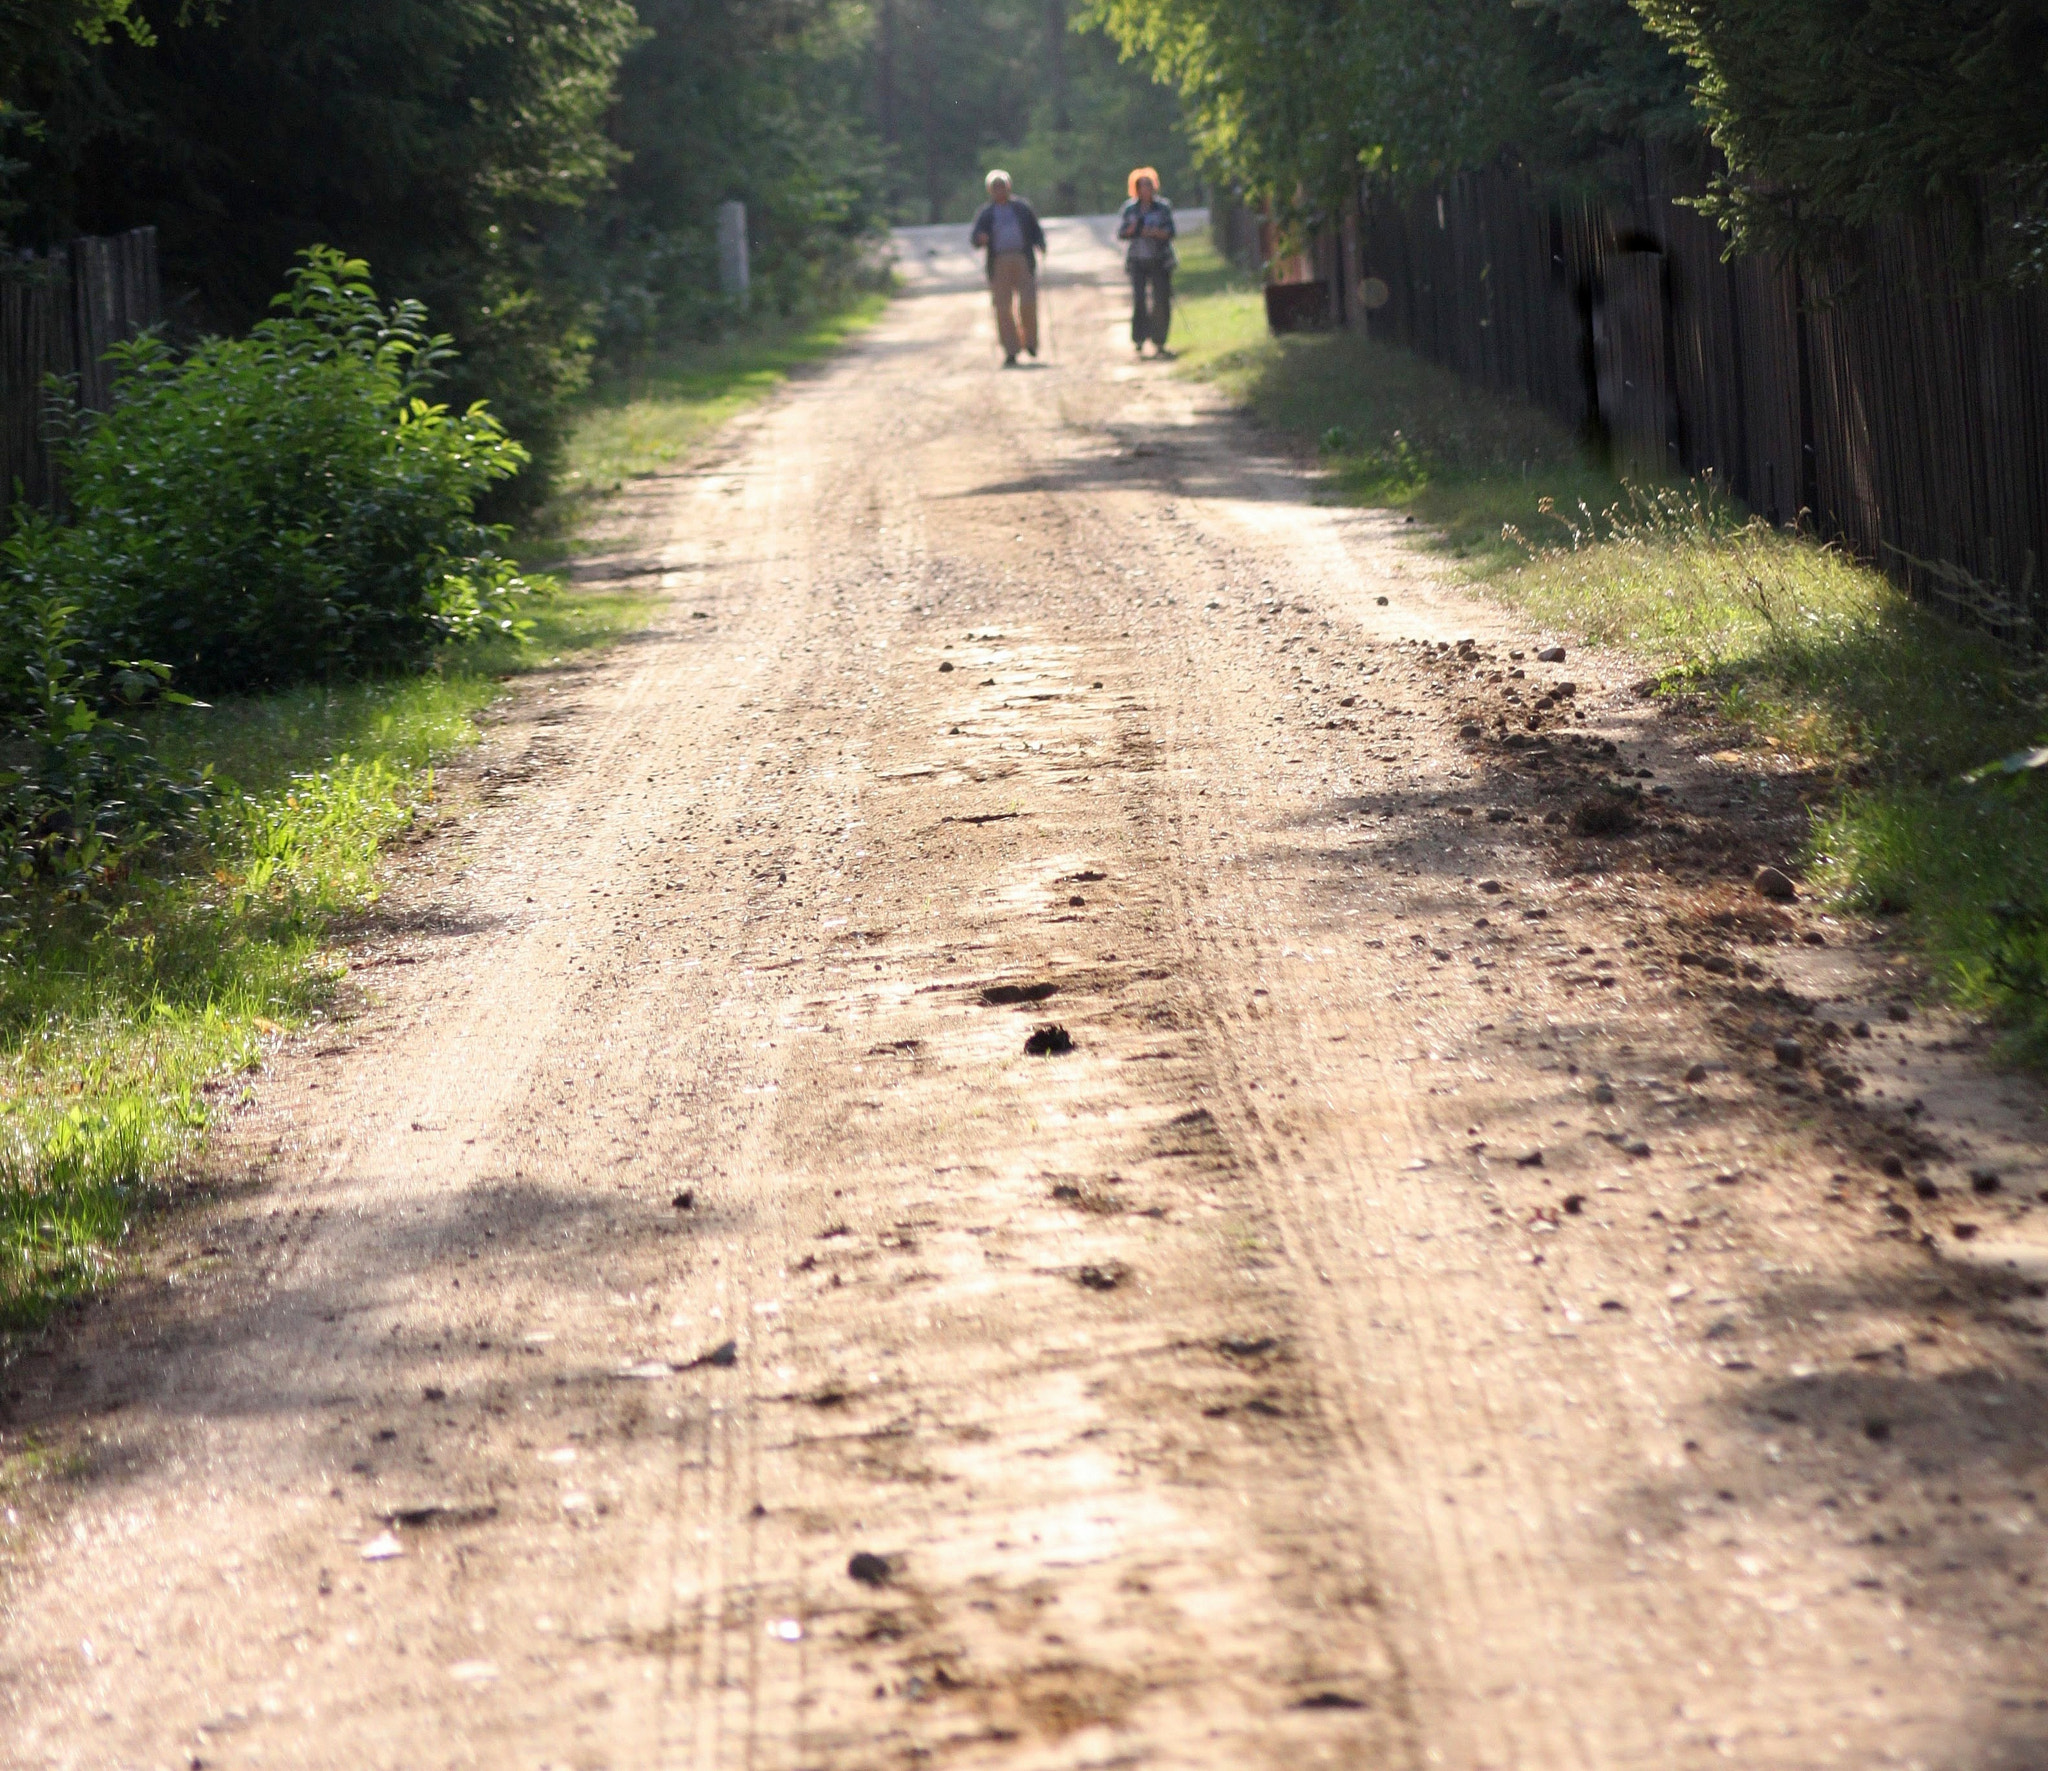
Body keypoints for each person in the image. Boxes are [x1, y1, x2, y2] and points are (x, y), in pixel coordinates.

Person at [968, 170, 1048, 367]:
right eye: (995, 187)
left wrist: (1040, 243)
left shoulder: (1022, 208)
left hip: (1022, 259)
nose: (999, 190)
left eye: (1002, 186)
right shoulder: (986, 213)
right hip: (998, 263)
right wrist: (981, 238)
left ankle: (1030, 342)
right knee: (1003, 308)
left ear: (1008, 187)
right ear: (990, 191)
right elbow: (975, 238)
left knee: (1028, 302)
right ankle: (1011, 349)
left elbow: (1035, 230)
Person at [1117, 167, 1177, 357]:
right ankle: (1139, 339)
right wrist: (1135, 229)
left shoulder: (1163, 207)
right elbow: (1122, 233)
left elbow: (1171, 232)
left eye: (1148, 185)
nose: (1145, 189)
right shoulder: (1130, 209)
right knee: (1139, 301)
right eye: (1141, 186)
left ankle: (1159, 340)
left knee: (1161, 300)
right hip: (1137, 260)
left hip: (1159, 259)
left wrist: (1155, 232)